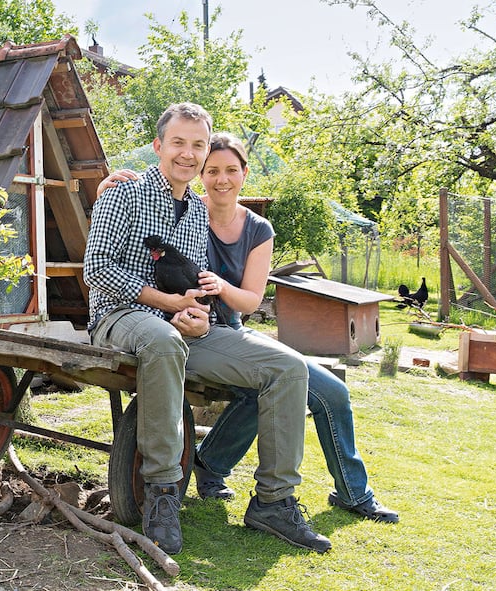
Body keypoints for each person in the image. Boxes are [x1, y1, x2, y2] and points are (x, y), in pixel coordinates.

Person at [98, 132, 399, 524]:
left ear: (245, 173)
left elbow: (252, 301)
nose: (222, 179)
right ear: (201, 174)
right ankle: (214, 469)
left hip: (233, 329)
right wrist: (105, 189)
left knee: (329, 391)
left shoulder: (257, 229)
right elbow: (145, 202)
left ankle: (353, 492)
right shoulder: (184, 210)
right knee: (268, 385)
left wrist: (222, 288)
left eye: (231, 171)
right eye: (213, 171)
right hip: (188, 328)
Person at [83, 103, 332, 555]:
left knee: (289, 367)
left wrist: (197, 314)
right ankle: (162, 491)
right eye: (178, 142)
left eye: (197, 145)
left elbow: (193, 282)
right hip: (119, 317)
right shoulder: (125, 194)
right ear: (159, 146)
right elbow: (96, 269)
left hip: (181, 330)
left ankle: (274, 503)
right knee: (161, 339)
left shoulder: (197, 213)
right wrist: (167, 304)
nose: (188, 153)